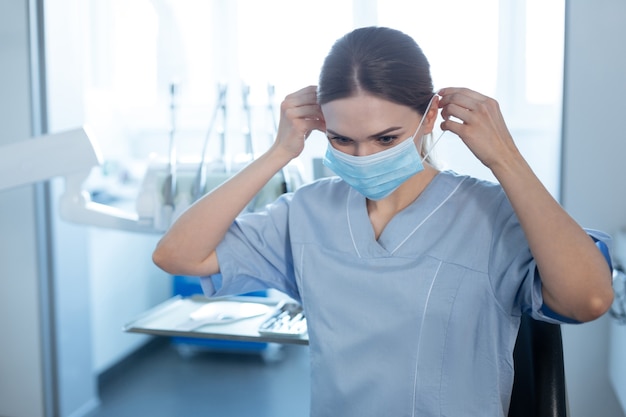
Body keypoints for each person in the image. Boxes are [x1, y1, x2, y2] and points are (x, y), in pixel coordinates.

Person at [152, 26, 614, 416]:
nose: (364, 157)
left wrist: (505, 159)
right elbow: (177, 254)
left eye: (386, 137)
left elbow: (589, 298)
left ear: (430, 115)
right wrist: (278, 152)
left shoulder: (490, 213)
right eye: (342, 139)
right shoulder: (308, 213)